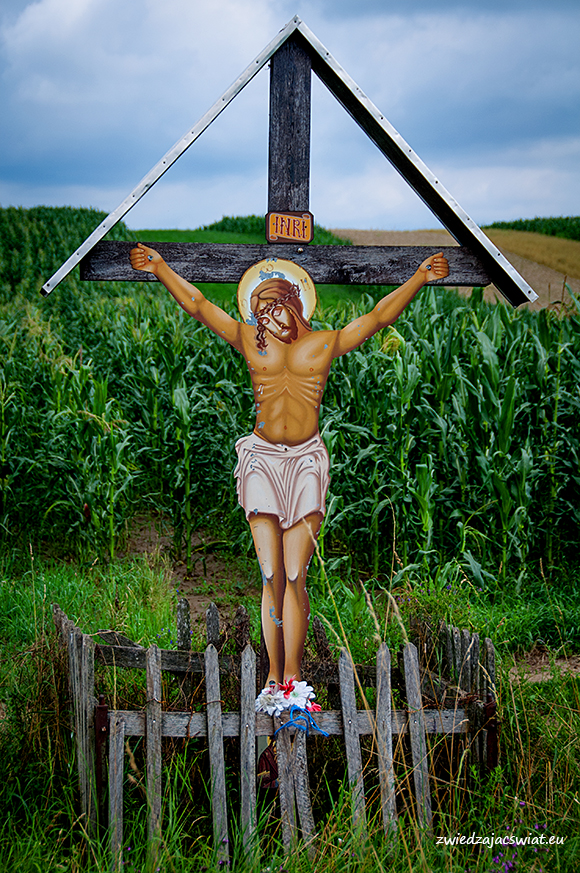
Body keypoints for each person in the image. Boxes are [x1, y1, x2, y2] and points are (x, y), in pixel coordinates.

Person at [129, 243, 449, 702]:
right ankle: (272, 676)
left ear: (294, 305)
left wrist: (418, 278)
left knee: (296, 573)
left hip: (304, 463)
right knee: (270, 573)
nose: (267, 319)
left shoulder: (325, 343)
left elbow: (378, 317)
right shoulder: (249, 340)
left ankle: (293, 679)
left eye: (274, 309)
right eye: (260, 312)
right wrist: (160, 268)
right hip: (261, 459)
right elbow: (198, 305)